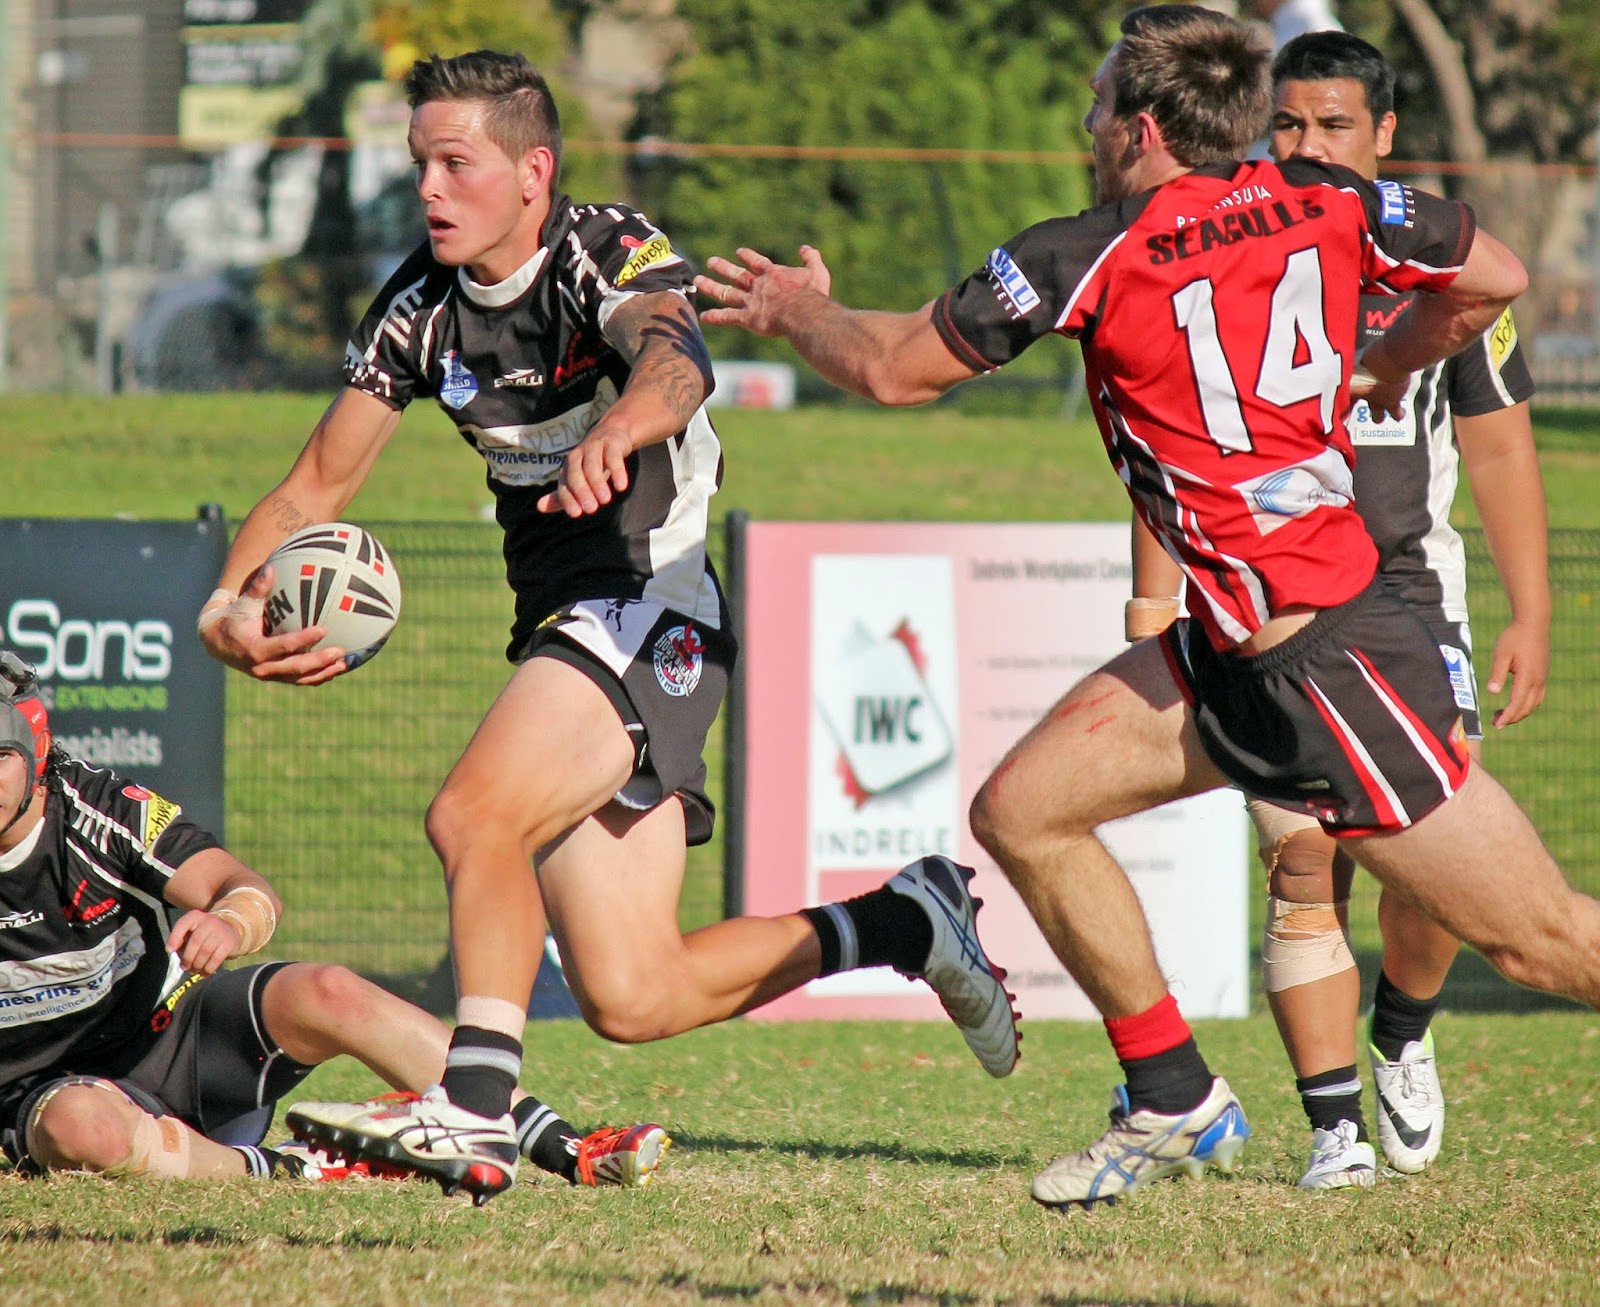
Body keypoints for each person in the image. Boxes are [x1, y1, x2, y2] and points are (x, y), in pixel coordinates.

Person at [694, 4, 1600, 1210]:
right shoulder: (1331, 197)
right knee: (1023, 811)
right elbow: (1496, 274)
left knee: (1541, 941)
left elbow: (890, 369)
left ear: (1138, 129)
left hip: (1325, 655)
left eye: (1093, 105)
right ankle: (1170, 1091)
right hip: (1233, 643)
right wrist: (1384, 362)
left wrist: (792, 309)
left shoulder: (1090, 249)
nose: (1082, 124)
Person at [198, 50, 1019, 1205]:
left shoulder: (600, 245)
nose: (428, 188)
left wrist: (621, 427)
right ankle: (901, 916)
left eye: (455, 162)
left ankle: (474, 1109)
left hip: (652, 597)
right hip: (565, 620)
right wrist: (224, 609)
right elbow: (311, 491)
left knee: (470, 813)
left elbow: (677, 363)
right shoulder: (417, 312)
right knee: (636, 993)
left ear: (532, 171)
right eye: (418, 162)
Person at [1126, 29, 1550, 1191]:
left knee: (1426, 867)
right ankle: (1332, 1133)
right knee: (1302, 856)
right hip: (1271, 598)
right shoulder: (1230, 239)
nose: (1308, 146)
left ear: (1384, 138)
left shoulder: (1431, 252)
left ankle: (1404, 1030)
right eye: (1290, 125)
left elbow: (1502, 444)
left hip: (1410, 593)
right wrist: (1150, 588)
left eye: (1333, 127)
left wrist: (1532, 612)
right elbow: (1169, 435)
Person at [0, 653, 665, 1189]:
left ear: (35, 757)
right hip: (43, 1091)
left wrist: (230, 922)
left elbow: (244, 887)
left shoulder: (95, 809)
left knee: (330, 990)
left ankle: (561, 1142)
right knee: (86, 1129)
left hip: (175, 1043)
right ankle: (287, 1168)